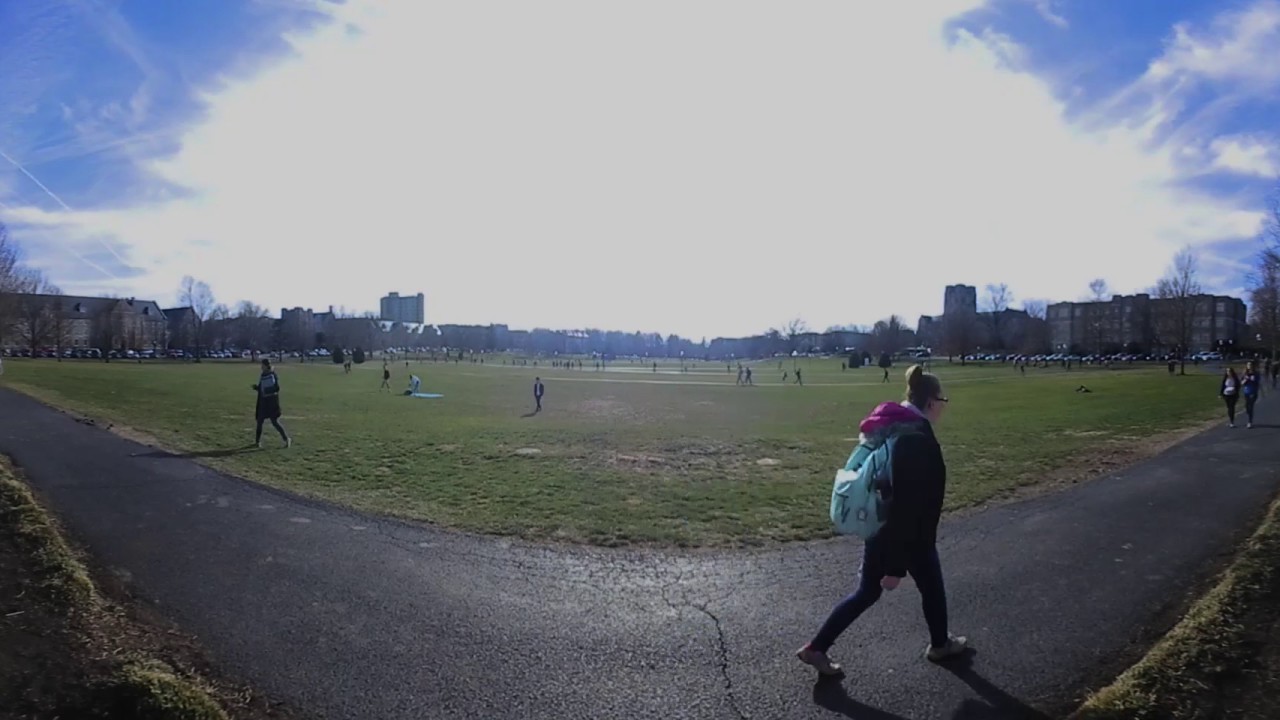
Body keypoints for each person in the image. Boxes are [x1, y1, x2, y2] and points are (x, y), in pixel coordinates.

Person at [797, 365, 966, 676]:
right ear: (931, 402)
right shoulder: (915, 438)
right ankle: (940, 646)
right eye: (943, 400)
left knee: (871, 592)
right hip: (905, 536)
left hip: (882, 528)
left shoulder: (895, 425)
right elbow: (906, 504)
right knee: (928, 586)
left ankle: (816, 648)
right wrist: (894, 567)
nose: (944, 407)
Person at [251, 359, 291, 449]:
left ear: (266, 365)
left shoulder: (272, 375)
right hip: (263, 402)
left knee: (275, 422)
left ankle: (286, 439)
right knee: (259, 422)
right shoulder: (263, 375)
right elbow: (262, 388)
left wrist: (266, 391)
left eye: (262, 365)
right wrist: (257, 388)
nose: (261, 367)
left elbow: (276, 388)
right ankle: (257, 442)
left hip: (271, 402)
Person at [1241, 362, 1261, 429]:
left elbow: (1257, 382)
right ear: (1247, 366)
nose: (1249, 366)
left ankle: (1250, 422)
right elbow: (1241, 383)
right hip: (1246, 392)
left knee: (1251, 406)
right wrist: (1245, 380)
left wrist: (1253, 380)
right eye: (1248, 365)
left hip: (1253, 392)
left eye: (1251, 365)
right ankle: (1249, 415)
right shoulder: (1245, 373)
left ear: (1253, 366)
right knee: (1247, 406)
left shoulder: (1256, 373)